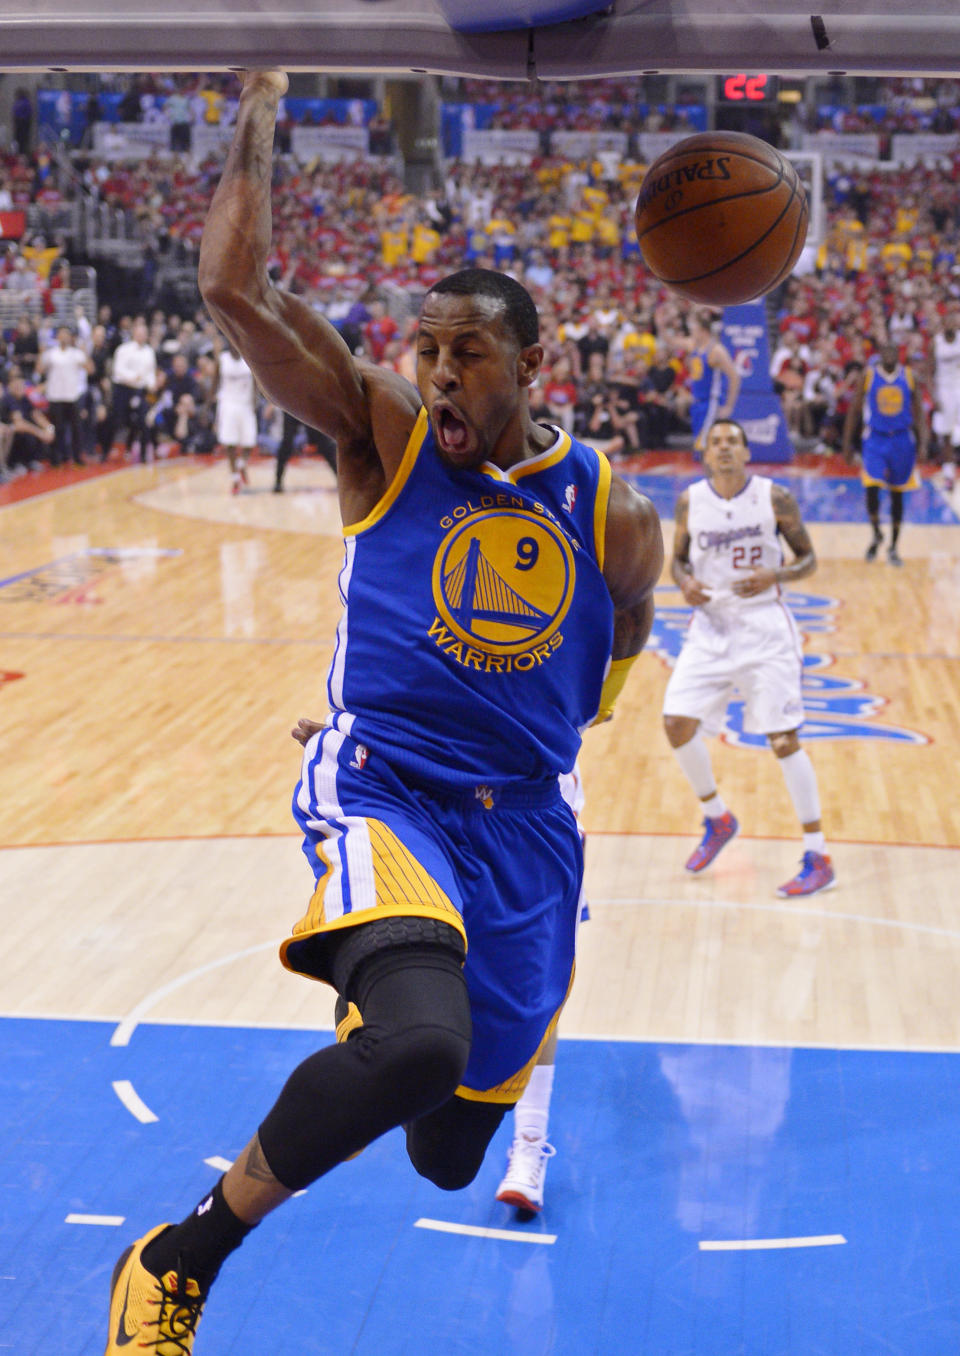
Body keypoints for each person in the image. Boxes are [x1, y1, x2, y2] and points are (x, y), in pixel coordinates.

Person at [104, 68, 663, 1356]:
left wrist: (592, 718)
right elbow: (233, 293)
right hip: (385, 785)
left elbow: (629, 623)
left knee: (449, 1152)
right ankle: (181, 1257)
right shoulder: (388, 432)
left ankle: (410, 994)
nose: (440, 373)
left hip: (526, 831)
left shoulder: (614, 512)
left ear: (536, 363)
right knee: (416, 1046)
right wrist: (259, 100)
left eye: (468, 353)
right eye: (427, 349)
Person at [662, 418, 834, 898]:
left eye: (732, 441)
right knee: (676, 724)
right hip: (711, 628)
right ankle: (718, 819)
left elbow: (809, 558)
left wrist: (775, 574)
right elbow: (678, 560)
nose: (724, 448)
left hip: (764, 631)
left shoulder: (774, 497)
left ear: (745, 451)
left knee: (783, 739)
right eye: (716, 442)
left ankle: (818, 855)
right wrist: (684, 582)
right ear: (705, 451)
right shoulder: (689, 500)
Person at [495, 761, 586, 1216]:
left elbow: (590, 707)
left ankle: (529, 1146)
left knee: (538, 999)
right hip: (447, 820)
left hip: (539, 825)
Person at [843, 340, 925, 566]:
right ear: (879, 354)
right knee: (871, 489)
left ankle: (894, 546)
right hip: (875, 440)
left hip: (901, 439)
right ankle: (876, 532)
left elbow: (919, 412)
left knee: (898, 494)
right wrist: (847, 444)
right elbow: (854, 410)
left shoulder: (909, 376)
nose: (889, 354)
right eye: (885, 350)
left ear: (899, 354)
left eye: (893, 350)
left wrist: (924, 442)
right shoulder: (868, 376)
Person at [672, 310, 741, 451]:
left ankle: (711, 473)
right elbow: (671, 342)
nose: (691, 332)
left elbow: (734, 377)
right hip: (697, 403)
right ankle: (709, 473)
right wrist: (660, 326)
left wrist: (729, 406)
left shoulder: (716, 351)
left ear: (703, 331)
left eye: (694, 329)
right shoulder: (694, 345)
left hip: (710, 403)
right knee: (701, 446)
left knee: (706, 446)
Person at [35, 325, 93, 466]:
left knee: (76, 429)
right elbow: (39, 370)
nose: (64, 337)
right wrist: (40, 353)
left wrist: (85, 353)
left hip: (72, 396)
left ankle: (77, 457)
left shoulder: (76, 353)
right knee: (58, 429)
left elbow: (90, 369)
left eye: (67, 334)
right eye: (61, 334)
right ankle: (56, 458)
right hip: (55, 396)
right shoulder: (51, 353)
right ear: (57, 337)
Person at [105, 317, 157, 461]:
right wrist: (134, 377)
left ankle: (144, 453)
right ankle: (106, 450)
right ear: (134, 333)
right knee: (118, 421)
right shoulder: (124, 349)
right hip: (123, 389)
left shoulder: (149, 351)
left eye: (144, 333)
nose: (142, 336)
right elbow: (118, 371)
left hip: (140, 390)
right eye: (139, 333)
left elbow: (150, 372)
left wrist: (152, 384)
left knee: (143, 419)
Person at [213, 341, 258, 492]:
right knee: (229, 443)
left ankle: (241, 465)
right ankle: (235, 478)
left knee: (250, 442)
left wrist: (255, 400)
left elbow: (257, 381)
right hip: (228, 404)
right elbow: (215, 382)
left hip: (246, 404)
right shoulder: (222, 359)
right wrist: (208, 407)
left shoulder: (249, 358)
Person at [929, 312, 960, 490]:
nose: (951, 324)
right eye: (947, 321)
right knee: (946, 434)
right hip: (944, 390)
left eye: (954, 321)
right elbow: (928, 370)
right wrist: (934, 395)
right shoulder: (936, 342)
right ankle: (949, 474)